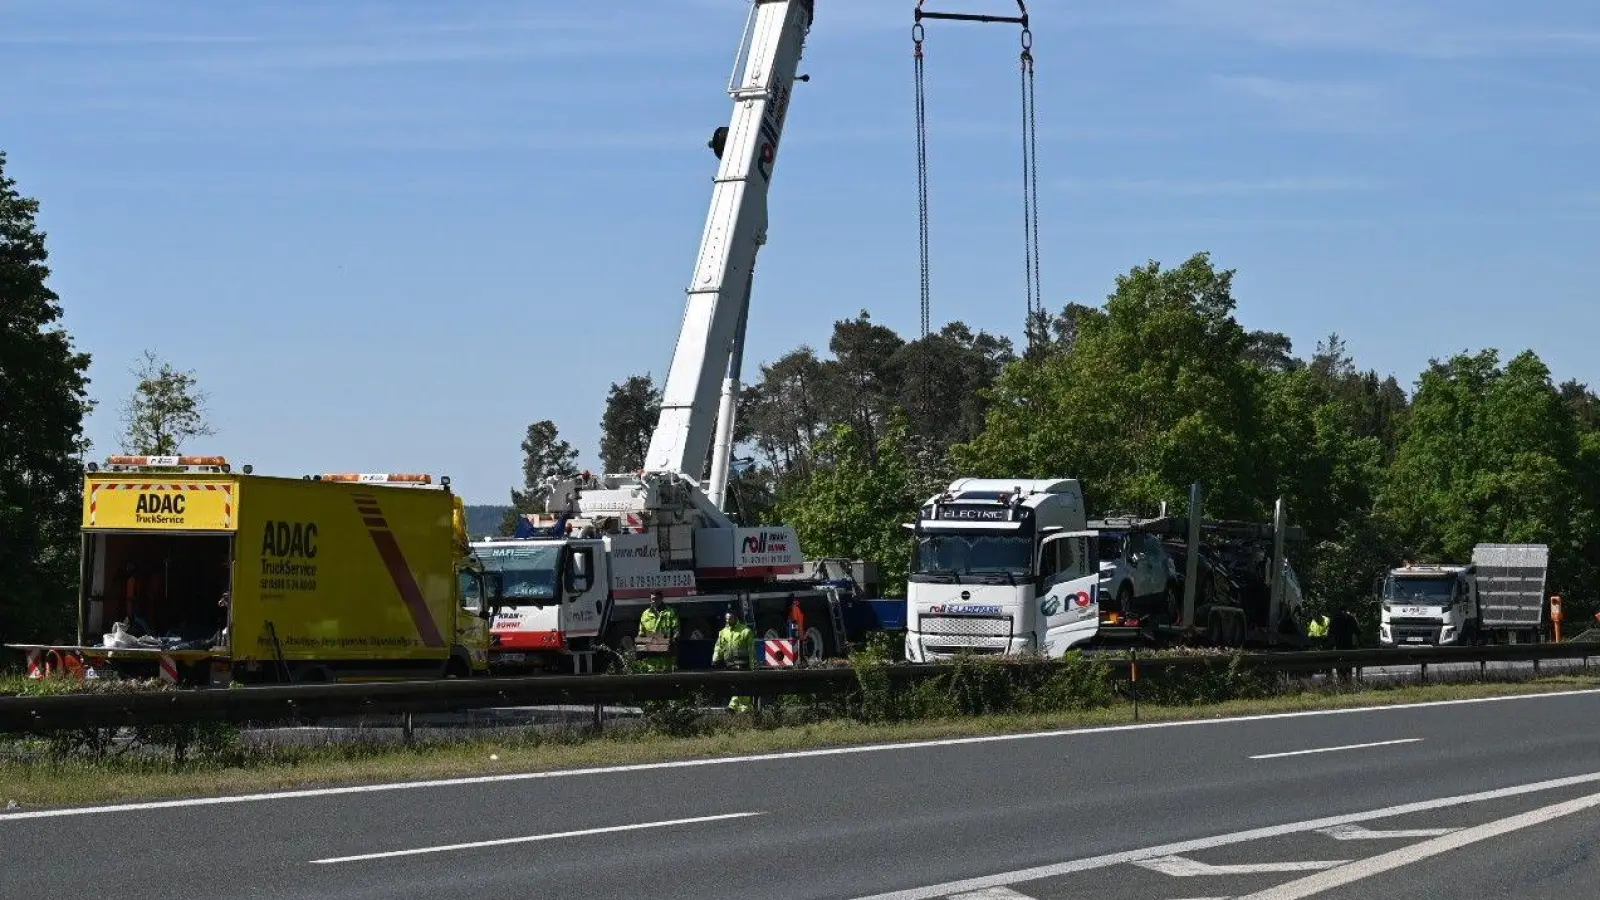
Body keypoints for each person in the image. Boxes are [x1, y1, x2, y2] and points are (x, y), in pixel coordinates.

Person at [712, 608, 756, 712]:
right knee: (735, 686)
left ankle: (737, 707)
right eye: (726, 619)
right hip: (730, 665)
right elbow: (718, 647)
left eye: (730, 619)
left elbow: (751, 650)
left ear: (736, 618)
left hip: (743, 666)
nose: (727, 621)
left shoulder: (745, 631)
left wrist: (753, 665)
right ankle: (742, 709)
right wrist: (715, 659)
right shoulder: (722, 632)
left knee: (742, 686)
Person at [635, 591, 679, 673]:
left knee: (667, 679)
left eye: (656, 599)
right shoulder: (645, 614)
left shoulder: (670, 613)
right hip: (651, 659)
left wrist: (673, 642)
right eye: (652, 599)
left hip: (666, 658)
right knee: (652, 678)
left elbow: (676, 630)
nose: (653, 601)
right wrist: (640, 646)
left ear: (661, 599)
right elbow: (641, 633)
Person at [1329, 603, 1361, 683]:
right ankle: (1348, 680)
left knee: (1339, 663)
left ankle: (1341, 680)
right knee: (1348, 663)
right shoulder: (1351, 618)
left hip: (1339, 644)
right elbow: (1358, 631)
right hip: (1348, 644)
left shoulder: (1335, 618)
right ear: (1346, 610)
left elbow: (1330, 632)